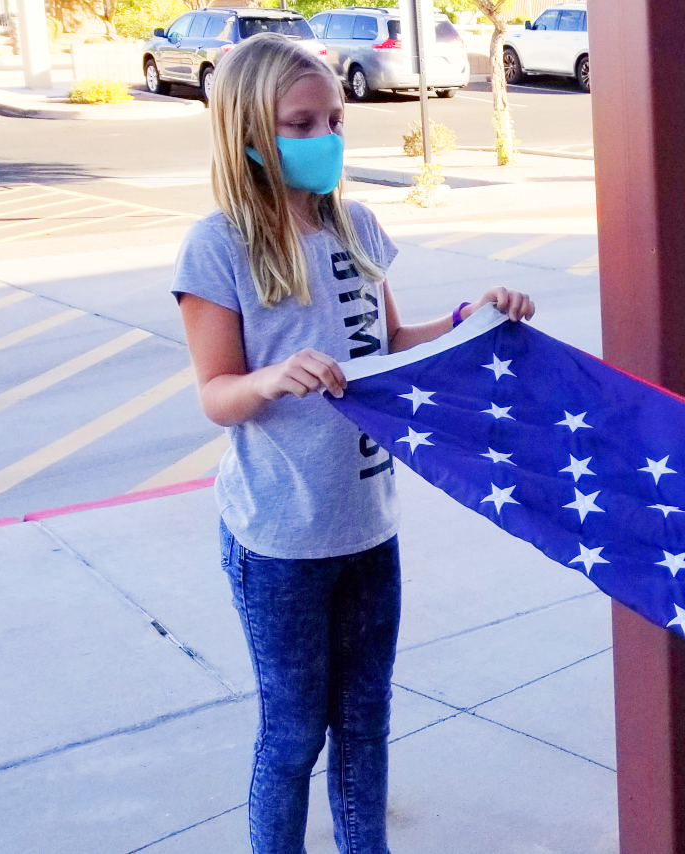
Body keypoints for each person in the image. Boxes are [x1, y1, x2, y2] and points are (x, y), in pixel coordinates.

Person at [172, 33, 535, 854]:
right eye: (301, 124)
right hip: (281, 538)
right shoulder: (219, 245)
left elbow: (387, 342)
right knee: (296, 732)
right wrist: (271, 379)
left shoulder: (358, 223)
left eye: (333, 118)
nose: (325, 137)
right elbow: (216, 395)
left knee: (366, 724)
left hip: (368, 522)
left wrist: (466, 321)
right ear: (248, 134)